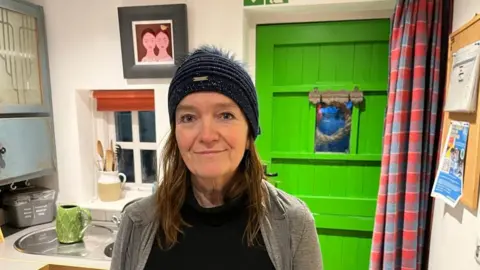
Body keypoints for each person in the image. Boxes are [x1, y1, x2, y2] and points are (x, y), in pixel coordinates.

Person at [110, 45, 323, 270]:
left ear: (250, 132)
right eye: (189, 117)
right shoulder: (137, 222)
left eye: (225, 115)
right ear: (176, 133)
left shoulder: (293, 223)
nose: (207, 135)